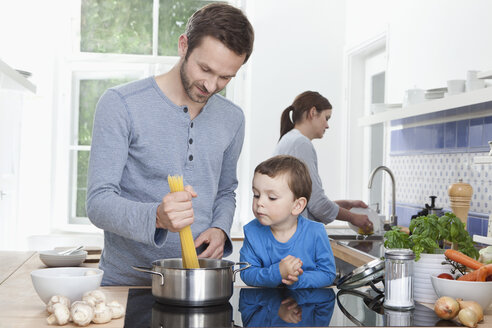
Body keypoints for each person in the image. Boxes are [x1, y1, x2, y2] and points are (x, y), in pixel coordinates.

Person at [86, 3, 254, 286]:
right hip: (126, 285)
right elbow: (98, 202)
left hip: (198, 286)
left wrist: (220, 228)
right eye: (205, 68)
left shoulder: (233, 119)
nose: (212, 85)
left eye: (225, 77)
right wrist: (157, 217)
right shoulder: (120, 104)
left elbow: (226, 190)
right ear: (183, 45)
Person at [274, 91, 373, 232]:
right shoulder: (300, 144)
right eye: (327, 118)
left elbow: (307, 202)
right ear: (313, 112)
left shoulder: (291, 140)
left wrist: (343, 204)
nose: (327, 125)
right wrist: (353, 217)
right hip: (293, 235)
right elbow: (317, 204)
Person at [240, 155, 336, 288]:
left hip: (306, 306)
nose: (260, 202)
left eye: (272, 197)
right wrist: (277, 272)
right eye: (256, 195)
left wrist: (297, 279)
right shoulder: (252, 232)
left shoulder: (316, 232)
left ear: (297, 206)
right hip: (267, 306)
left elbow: (328, 274)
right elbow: (247, 274)